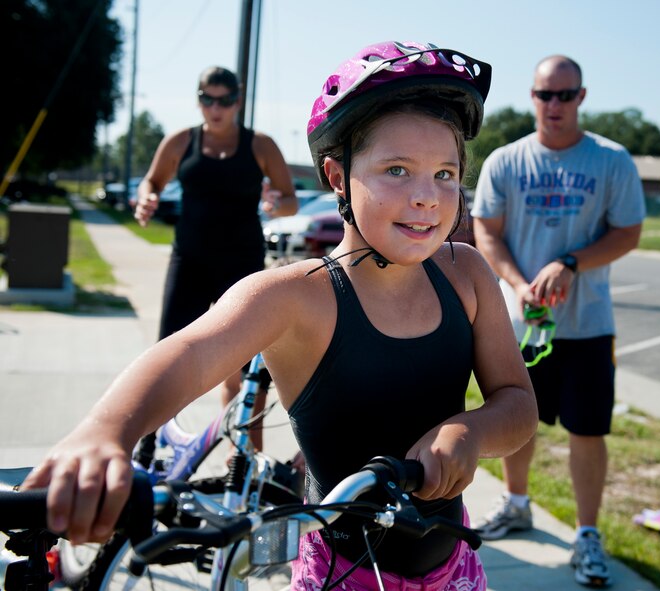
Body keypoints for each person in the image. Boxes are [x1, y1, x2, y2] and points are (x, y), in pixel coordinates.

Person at [24, 41, 538, 591]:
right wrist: (104, 433)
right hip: (340, 575)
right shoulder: (298, 295)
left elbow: (518, 404)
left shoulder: (467, 273)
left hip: (456, 570)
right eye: (396, 169)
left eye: (444, 173)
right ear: (338, 177)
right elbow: (189, 353)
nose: (427, 197)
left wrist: (471, 429)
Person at [470, 55, 646, 588]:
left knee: (587, 429)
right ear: (532, 97)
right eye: (545, 95)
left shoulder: (611, 161)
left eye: (565, 96)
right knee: (518, 418)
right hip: (520, 324)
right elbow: (488, 233)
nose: (554, 105)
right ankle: (517, 503)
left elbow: (628, 233)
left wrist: (571, 262)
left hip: (588, 323)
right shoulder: (506, 161)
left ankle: (587, 534)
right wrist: (521, 287)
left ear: (581, 98)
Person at [133, 66, 297, 451]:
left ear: (237, 101)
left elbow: (290, 200)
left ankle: (243, 454)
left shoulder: (260, 145)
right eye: (208, 98)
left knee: (247, 368)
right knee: (168, 355)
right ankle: (150, 444)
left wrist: (276, 204)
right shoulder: (180, 142)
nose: (216, 107)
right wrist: (146, 197)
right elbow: (151, 181)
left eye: (225, 100)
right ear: (198, 99)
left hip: (241, 269)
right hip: (189, 261)